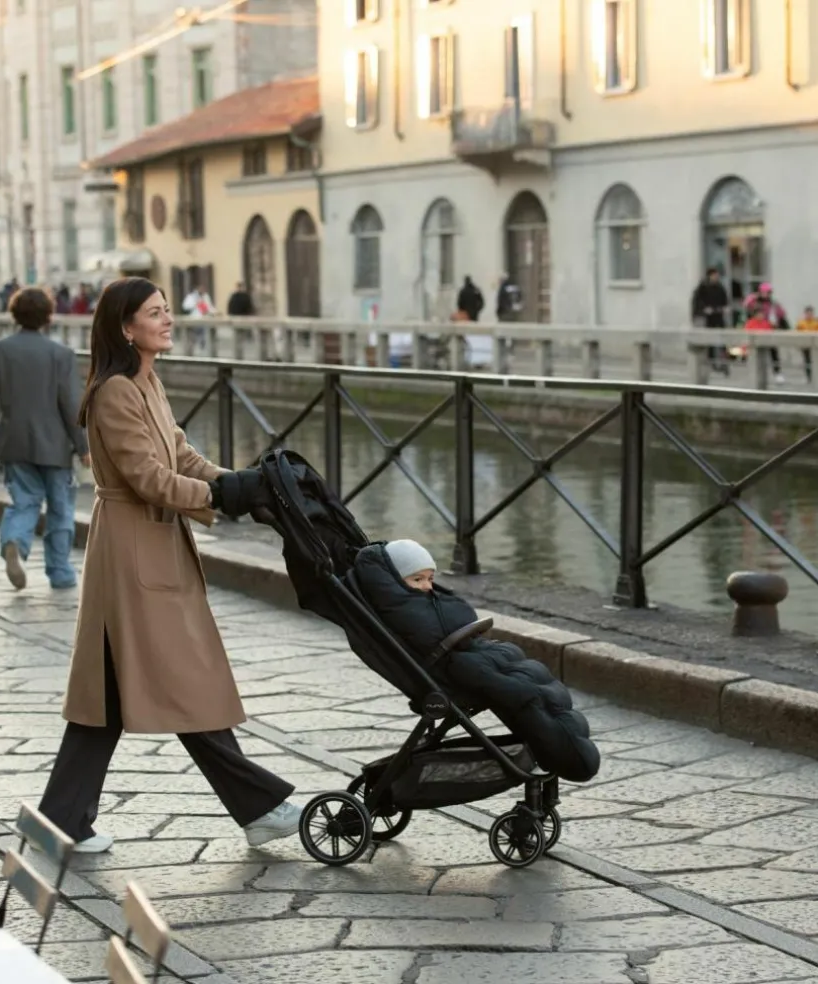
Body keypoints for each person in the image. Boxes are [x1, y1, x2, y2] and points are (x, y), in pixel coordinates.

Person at [37, 276, 299, 853]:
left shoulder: (144, 381)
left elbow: (179, 454)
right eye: (156, 313)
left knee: (105, 694)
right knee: (181, 677)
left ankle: (62, 818)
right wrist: (220, 498)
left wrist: (235, 483)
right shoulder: (114, 392)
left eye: (167, 311)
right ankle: (260, 807)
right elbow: (147, 479)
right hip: (133, 550)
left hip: (149, 547)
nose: (168, 319)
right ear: (126, 327)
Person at [352, 539, 600, 783]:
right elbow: (433, 630)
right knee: (522, 693)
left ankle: (557, 748)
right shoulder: (399, 609)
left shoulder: (414, 600)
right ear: (394, 582)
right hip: (449, 667)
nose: (428, 587)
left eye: (430, 578)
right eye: (418, 579)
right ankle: (563, 752)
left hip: (461, 653)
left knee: (530, 683)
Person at [0, 287, 90, 590]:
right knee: (60, 507)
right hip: (55, 444)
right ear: (48, 316)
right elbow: (71, 404)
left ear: (14, 314)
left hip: (14, 440)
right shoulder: (62, 355)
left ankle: (15, 541)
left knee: (24, 500)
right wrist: (83, 446)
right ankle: (59, 571)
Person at [691, 267, 730, 373]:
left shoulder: (720, 287)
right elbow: (697, 302)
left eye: (717, 275)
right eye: (714, 275)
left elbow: (725, 300)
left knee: (722, 340)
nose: (716, 277)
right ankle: (711, 361)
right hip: (708, 318)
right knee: (710, 341)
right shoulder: (703, 287)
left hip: (718, 316)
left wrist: (725, 308)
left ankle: (724, 362)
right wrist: (704, 309)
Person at [745, 303, 783, 384]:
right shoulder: (750, 323)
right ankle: (754, 375)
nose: (761, 316)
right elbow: (747, 336)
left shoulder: (767, 323)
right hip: (755, 346)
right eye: (759, 314)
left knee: (774, 351)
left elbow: (770, 334)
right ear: (755, 315)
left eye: (762, 314)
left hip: (766, 344)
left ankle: (777, 373)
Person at [797, 305, 818, 383]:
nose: (809, 315)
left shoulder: (816, 322)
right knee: (807, 361)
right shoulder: (801, 323)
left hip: (815, 346)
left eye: (811, 313)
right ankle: (808, 377)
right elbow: (798, 333)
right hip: (805, 346)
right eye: (808, 313)